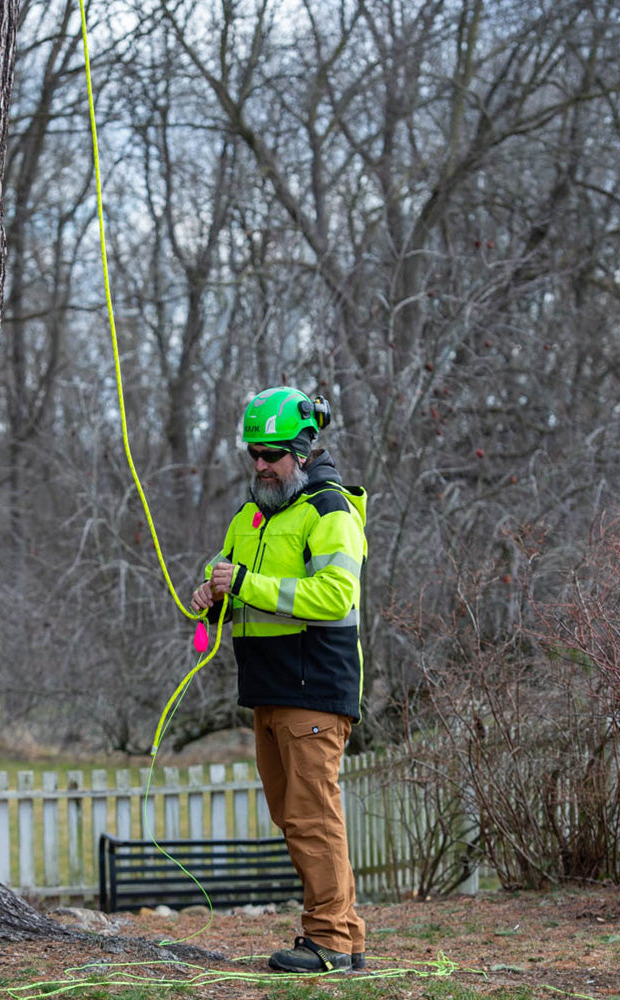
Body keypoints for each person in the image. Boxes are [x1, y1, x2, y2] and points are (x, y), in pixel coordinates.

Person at [191, 386, 368, 974]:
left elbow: (334, 595)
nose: (261, 465)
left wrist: (240, 583)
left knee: (314, 818)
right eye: (254, 455)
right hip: (268, 690)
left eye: (272, 454)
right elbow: (231, 580)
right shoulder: (251, 515)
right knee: (296, 819)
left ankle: (330, 944)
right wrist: (212, 595)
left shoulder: (330, 510)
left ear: (303, 447)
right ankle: (344, 936)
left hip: (314, 686)